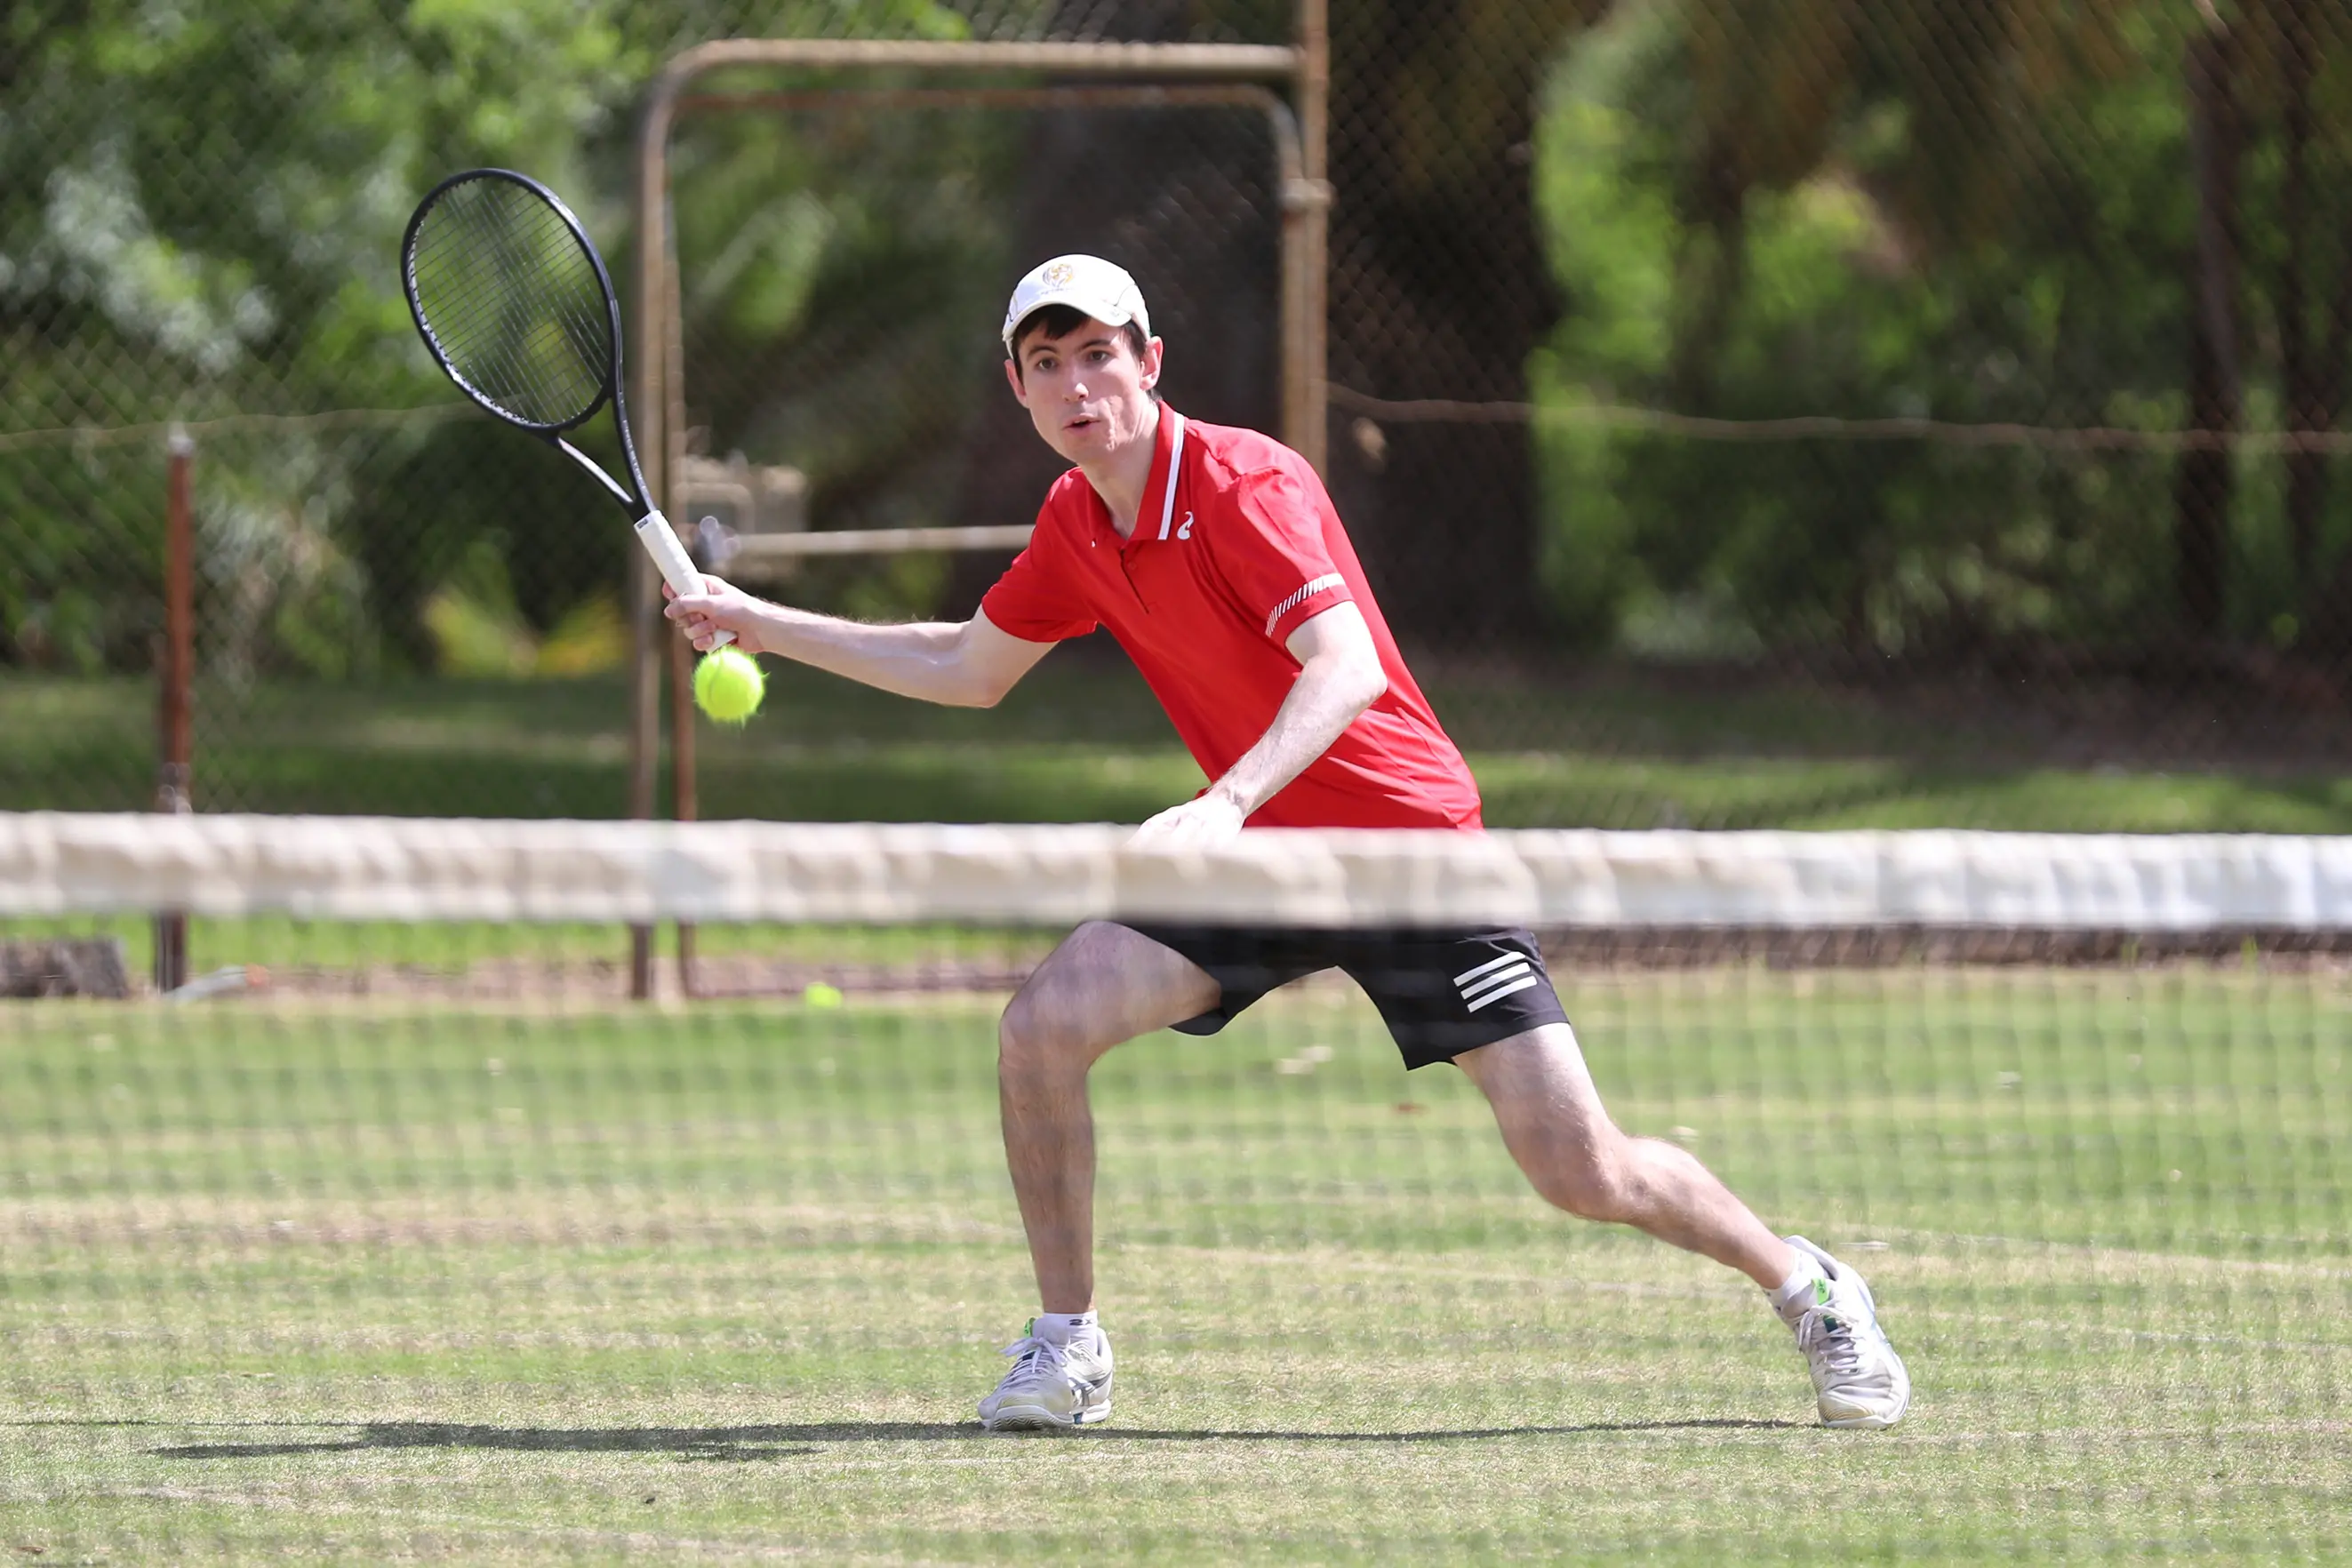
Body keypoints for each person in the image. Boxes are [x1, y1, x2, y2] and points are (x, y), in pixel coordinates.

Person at [664, 254, 1910, 1435]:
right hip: (1260, 855)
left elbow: (1346, 668)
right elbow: (969, 665)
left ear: (1149, 361)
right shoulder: (1073, 520)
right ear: (1017, 386)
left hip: (1404, 851)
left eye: (1096, 353)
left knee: (1576, 1166)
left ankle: (1805, 1285)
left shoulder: (1243, 484)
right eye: (1045, 363)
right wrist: (761, 623)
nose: (1074, 385)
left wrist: (1226, 800)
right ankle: (1066, 1341)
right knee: (1042, 1025)